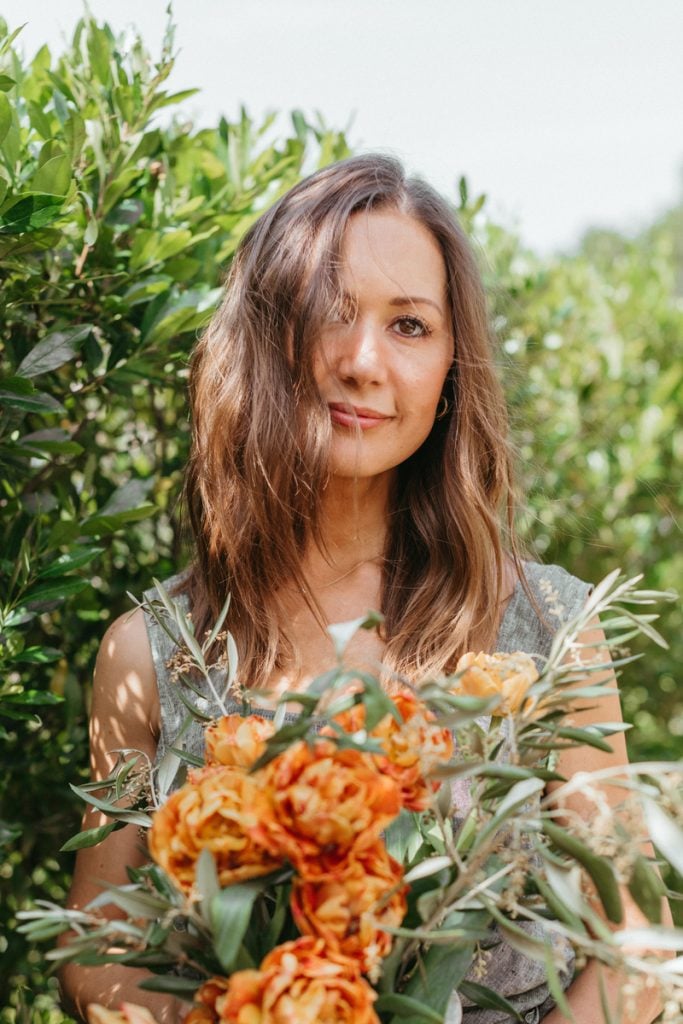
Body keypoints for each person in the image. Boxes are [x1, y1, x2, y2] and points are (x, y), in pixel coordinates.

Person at [60, 154, 665, 1023]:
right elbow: (97, 953)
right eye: (329, 311)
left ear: (454, 366)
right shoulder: (150, 654)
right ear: (269, 332)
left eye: (410, 325)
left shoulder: (549, 628)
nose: (361, 360)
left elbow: (633, 942)